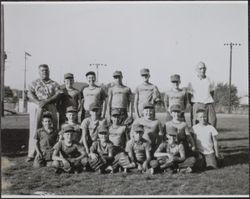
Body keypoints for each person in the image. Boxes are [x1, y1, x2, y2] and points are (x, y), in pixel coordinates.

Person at [27, 64, 61, 162]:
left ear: (49, 71)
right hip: (38, 106)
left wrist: (47, 101)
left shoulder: (54, 83)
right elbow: (29, 94)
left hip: (50, 105)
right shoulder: (34, 82)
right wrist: (38, 102)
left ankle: (52, 152)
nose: (44, 72)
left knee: (52, 129)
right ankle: (32, 153)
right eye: (42, 70)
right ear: (39, 72)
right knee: (35, 130)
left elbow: (58, 94)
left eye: (46, 70)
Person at [188, 61, 217, 127]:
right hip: (197, 104)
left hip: (208, 104)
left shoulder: (210, 80)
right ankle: (195, 137)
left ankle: (212, 137)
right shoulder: (192, 81)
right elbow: (189, 94)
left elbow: (212, 92)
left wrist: (208, 100)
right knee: (195, 123)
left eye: (204, 68)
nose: (202, 70)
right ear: (197, 70)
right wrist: (194, 104)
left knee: (212, 121)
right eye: (200, 68)